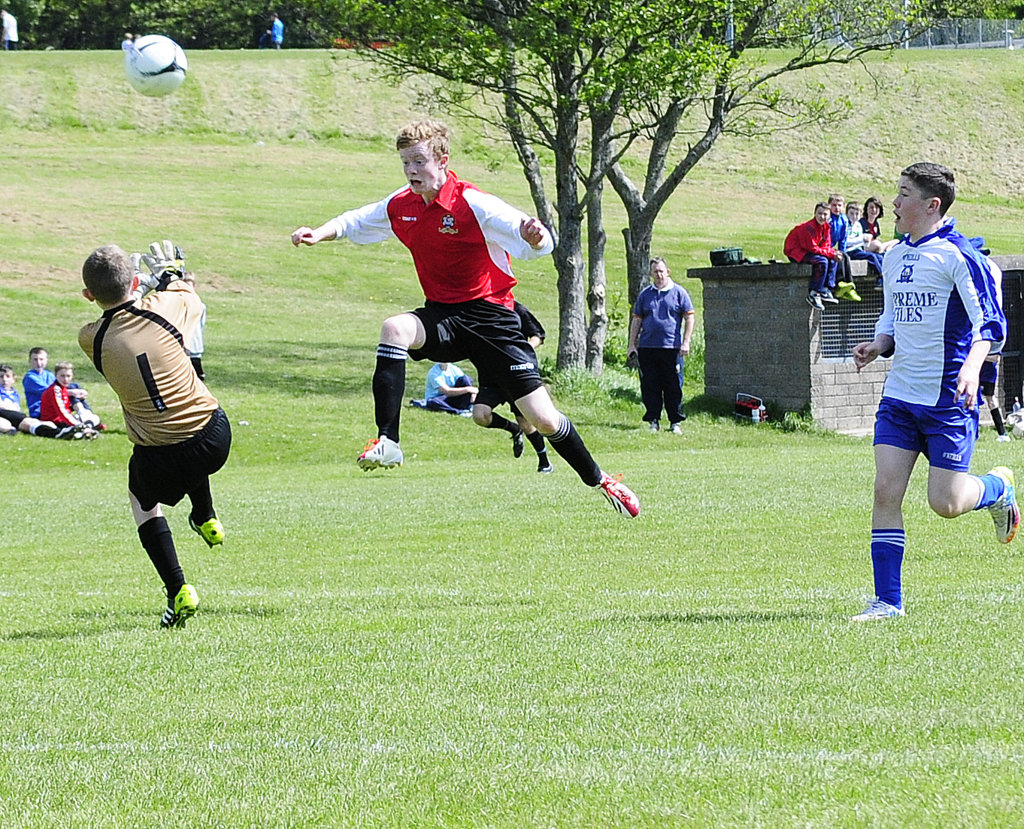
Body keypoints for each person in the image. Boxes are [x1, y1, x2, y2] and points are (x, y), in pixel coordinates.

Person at [290, 119, 639, 517]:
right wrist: (320, 233)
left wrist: (536, 236)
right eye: (406, 163)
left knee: (543, 420)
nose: (411, 171)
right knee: (395, 328)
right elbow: (356, 220)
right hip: (445, 315)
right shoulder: (401, 205)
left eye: (419, 162)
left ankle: (602, 480)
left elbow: (535, 240)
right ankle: (388, 442)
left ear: (442, 160)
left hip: (493, 319)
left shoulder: (472, 202)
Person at [851, 161, 1016, 622]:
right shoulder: (894, 255)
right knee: (886, 490)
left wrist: (972, 365)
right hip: (900, 398)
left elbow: (991, 324)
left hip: (948, 402)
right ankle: (887, 601)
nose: (895, 203)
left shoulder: (960, 256)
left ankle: (998, 487)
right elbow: (892, 317)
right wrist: (879, 343)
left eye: (903, 195)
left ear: (931, 205)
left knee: (945, 504)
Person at [78, 241, 232, 628]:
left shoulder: (90, 338)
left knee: (141, 497)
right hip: (215, 436)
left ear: (88, 295)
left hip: (163, 453)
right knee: (186, 427)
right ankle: (205, 515)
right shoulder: (165, 308)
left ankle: (177, 588)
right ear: (133, 280)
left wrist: (142, 286)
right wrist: (168, 276)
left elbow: (125, 317)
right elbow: (190, 299)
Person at [472, 300, 554, 473]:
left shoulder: (515, 308)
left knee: (526, 422)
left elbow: (538, 335)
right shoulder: (477, 309)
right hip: (491, 377)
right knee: (480, 416)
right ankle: (513, 429)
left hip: (514, 374)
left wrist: (521, 350)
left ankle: (544, 461)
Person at [626, 257, 695, 434]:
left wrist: (686, 342)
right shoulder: (645, 295)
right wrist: (632, 344)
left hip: (671, 348)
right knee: (650, 385)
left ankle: (675, 422)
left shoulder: (679, 293)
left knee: (673, 386)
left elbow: (689, 317)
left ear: (668, 272)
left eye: (661, 271)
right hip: (648, 347)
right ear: (651, 274)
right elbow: (637, 320)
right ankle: (653, 421)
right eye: (655, 272)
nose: (658, 275)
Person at [1, 363, 87, 439]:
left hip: (15, 415)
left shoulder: (13, 392)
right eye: (1, 377)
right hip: (8, 413)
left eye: (7, 376)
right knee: (22, 424)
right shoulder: (35, 380)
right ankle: (58, 433)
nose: (4, 379)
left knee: (34, 423)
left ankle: (69, 430)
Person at [783, 203, 841, 311]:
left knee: (833, 259)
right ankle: (814, 292)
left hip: (809, 250)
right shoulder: (808, 228)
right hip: (796, 252)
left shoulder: (826, 227)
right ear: (815, 213)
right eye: (819, 214)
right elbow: (812, 248)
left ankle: (826, 288)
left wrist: (833, 254)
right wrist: (830, 253)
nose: (822, 217)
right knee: (822, 261)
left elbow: (826, 245)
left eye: (825, 214)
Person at [39, 361, 104, 432]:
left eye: (68, 376)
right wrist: (78, 424)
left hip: (63, 420)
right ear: (56, 375)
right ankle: (86, 428)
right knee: (87, 421)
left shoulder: (63, 388)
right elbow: (62, 412)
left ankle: (87, 427)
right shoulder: (55, 390)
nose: (65, 379)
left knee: (95, 418)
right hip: (55, 422)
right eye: (62, 376)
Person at [826, 193, 861, 302]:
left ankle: (849, 285)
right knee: (835, 258)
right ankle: (838, 284)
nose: (837, 208)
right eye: (834, 205)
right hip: (826, 247)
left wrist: (841, 251)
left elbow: (843, 239)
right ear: (829, 206)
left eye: (839, 205)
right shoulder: (828, 219)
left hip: (835, 247)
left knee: (844, 256)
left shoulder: (844, 220)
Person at [843, 201, 885, 278]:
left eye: (857, 214)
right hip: (850, 251)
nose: (854, 216)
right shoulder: (845, 225)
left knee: (880, 257)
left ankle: (884, 274)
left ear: (860, 215)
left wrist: (866, 241)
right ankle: (881, 276)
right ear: (846, 214)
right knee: (871, 257)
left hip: (859, 250)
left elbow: (862, 243)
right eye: (851, 214)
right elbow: (845, 242)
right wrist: (861, 239)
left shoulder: (858, 225)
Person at [23, 347, 56, 417]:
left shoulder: (50, 375)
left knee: (75, 386)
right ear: (30, 361)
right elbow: (50, 392)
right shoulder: (30, 377)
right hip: (39, 411)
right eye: (35, 360)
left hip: (54, 407)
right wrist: (70, 392)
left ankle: (83, 413)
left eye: (41, 359)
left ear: (46, 361)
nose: (38, 363)